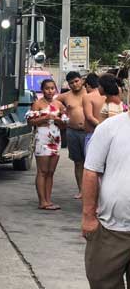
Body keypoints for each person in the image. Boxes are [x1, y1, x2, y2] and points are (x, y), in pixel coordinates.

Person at [82, 110, 130, 289]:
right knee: (99, 280)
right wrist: (88, 217)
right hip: (112, 228)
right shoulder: (110, 127)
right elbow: (91, 172)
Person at [26, 79, 68, 210]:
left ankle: (48, 200)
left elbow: (64, 124)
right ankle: (42, 201)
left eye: (52, 88)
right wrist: (45, 118)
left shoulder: (59, 105)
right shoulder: (37, 104)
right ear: (42, 90)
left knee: (51, 172)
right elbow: (30, 122)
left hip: (55, 138)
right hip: (42, 138)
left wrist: (58, 120)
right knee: (42, 171)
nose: (50, 91)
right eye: (47, 88)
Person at [56, 71, 87, 199]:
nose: (74, 85)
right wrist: (60, 117)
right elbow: (51, 103)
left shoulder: (90, 93)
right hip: (72, 131)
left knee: (90, 163)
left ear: (81, 80)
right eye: (71, 83)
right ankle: (81, 190)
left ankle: (90, 191)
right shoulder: (65, 96)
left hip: (89, 132)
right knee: (78, 162)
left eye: (76, 81)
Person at [81, 73, 105, 198]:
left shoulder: (88, 97)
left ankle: (92, 200)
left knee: (91, 170)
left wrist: (102, 128)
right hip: (106, 136)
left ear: (88, 85)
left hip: (93, 135)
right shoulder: (107, 97)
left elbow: (89, 117)